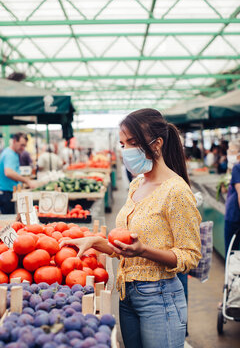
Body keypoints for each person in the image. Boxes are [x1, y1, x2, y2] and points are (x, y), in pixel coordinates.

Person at [60, 109, 202, 348]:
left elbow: (190, 256)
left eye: (133, 143)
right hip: (127, 296)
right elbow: (124, 248)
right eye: (123, 144)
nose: (126, 150)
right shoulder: (137, 184)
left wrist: (143, 251)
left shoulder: (176, 192)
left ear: (157, 144)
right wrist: (95, 242)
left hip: (160, 297)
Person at [0, 133, 36, 214]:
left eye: (24, 146)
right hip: (6, 194)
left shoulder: (13, 153)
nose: (23, 148)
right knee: (10, 221)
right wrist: (26, 181)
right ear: (14, 141)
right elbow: (8, 172)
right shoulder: (10, 154)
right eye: (21, 145)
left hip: (8, 192)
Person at [224, 138, 240, 256]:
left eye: (232, 151)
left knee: (231, 252)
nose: (228, 153)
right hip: (234, 214)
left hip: (234, 216)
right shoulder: (233, 168)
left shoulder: (237, 168)